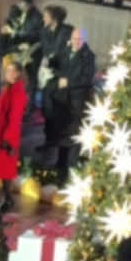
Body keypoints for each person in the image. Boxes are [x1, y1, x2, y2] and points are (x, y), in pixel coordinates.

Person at [51, 25, 95, 179]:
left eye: (79, 39)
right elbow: (57, 68)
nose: (76, 42)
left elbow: (86, 79)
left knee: (73, 137)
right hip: (63, 101)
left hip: (77, 103)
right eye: (74, 38)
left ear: (84, 40)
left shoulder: (88, 57)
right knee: (62, 134)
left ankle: (71, 170)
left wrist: (68, 82)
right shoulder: (64, 51)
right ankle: (59, 167)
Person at [0, 54, 28, 200]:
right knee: (0, 169)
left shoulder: (17, 92)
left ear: (18, 74)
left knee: (5, 171)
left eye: (13, 71)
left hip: (6, 138)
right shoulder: (6, 88)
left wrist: (8, 140)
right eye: (8, 71)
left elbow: (14, 119)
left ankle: (7, 199)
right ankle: (4, 199)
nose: (9, 74)